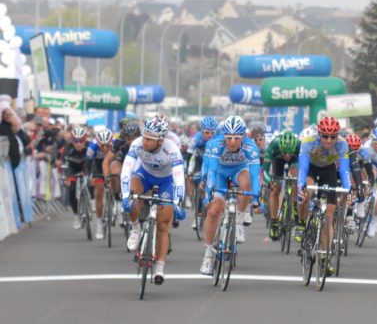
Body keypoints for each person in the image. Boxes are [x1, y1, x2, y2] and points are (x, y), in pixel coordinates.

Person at [120, 116, 186, 284]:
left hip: (166, 181)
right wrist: (125, 194)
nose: (145, 142)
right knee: (132, 194)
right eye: (144, 137)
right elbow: (126, 170)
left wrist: (179, 200)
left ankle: (160, 266)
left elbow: (179, 178)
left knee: (164, 224)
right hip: (145, 175)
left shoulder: (172, 149)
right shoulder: (137, 144)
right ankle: (135, 229)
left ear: (161, 140)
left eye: (150, 139)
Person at [199, 116, 260, 275]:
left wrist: (257, 197)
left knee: (246, 185)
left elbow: (255, 175)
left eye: (236, 138)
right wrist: (208, 194)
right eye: (229, 138)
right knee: (213, 212)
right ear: (223, 136)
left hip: (239, 170)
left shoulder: (250, 146)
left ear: (243, 136)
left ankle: (238, 221)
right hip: (220, 173)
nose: (232, 142)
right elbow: (211, 171)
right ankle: (208, 254)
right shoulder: (214, 144)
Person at [296, 116, 351, 275]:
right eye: (325, 136)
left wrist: (348, 189)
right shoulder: (308, 141)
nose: (329, 140)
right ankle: (301, 223)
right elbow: (303, 168)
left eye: (333, 136)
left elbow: (344, 170)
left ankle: (326, 257)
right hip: (311, 169)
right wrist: (301, 186)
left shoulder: (342, 144)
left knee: (329, 214)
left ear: (337, 136)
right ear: (319, 134)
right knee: (307, 193)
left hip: (328, 171)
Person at [262, 131, 300, 240]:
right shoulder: (273, 146)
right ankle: (274, 223)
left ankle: (294, 205)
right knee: (276, 189)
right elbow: (264, 171)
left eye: (289, 153)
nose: (287, 155)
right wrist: (270, 181)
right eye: (285, 152)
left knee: (295, 178)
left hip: (295, 161)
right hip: (278, 160)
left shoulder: (299, 145)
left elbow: (305, 166)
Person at [86, 128, 113, 240]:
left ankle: (117, 202)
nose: (105, 148)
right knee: (99, 192)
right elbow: (88, 164)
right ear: (98, 143)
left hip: (112, 163)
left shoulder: (116, 144)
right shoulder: (92, 147)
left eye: (108, 145)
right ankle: (99, 224)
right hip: (97, 166)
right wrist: (89, 177)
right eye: (102, 146)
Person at [62, 127, 90, 230]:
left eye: (81, 141)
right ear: (72, 141)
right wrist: (65, 179)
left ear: (85, 140)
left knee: (92, 180)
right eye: (76, 141)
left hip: (85, 166)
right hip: (72, 168)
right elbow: (64, 166)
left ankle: (90, 200)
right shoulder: (67, 148)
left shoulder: (89, 147)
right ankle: (76, 216)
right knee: (71, 189)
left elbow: (94, 163)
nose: (79, 144)